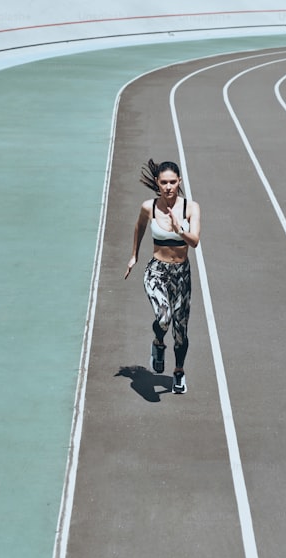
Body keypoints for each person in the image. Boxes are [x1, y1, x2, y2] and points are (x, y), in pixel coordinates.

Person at [124, 159, 201, 394]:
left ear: (179, 182)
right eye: (164, 182)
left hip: (181, 274)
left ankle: (178, 373)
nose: (168, 186)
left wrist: (180, 229)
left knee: (181, 331)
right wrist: (134, 256)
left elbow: (195, 241)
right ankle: (158, 343)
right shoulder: (149, 207)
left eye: (173, 182)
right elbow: (139, 227)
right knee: (164, 316)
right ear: (157, 183)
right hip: (157, 271)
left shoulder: (191, 208)